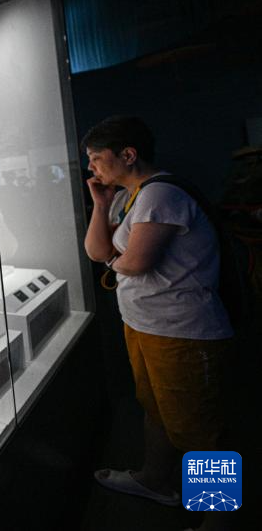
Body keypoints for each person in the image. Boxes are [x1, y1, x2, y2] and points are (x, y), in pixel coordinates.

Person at [82, 116, 233, 526]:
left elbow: (136, 262)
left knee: (199, 430)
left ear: (128, 154)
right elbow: (96, 250)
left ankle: (218, 518)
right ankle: (155, 480)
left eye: (96, 158)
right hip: (147, 325)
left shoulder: (160, 194)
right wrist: (100, 205)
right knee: (157, 409)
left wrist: (115, 260)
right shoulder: (126, 196)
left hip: (183, 331)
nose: (91, 167)